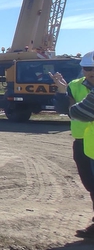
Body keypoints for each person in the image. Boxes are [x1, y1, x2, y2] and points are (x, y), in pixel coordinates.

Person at [52, 50, 94, 238]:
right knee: (90, 184)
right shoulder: (74, 86)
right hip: (83, 142)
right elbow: (65, 110)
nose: (92, 71)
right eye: (88, 68)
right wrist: (62, 91)